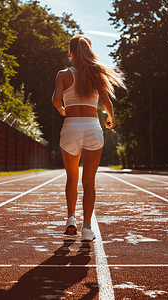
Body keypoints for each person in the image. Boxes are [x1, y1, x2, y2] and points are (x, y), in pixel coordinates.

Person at [52, 34, 126, 241]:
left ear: (71, 53)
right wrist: (111, 118)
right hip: (93, 129)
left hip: (70, 129)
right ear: (89, 51)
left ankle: (70, 219)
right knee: (89, 182)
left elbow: (56, 99)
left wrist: (61, 109)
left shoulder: (63, 75)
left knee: (71, 178)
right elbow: (106, 103)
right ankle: (86, 229)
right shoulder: (97, 75)